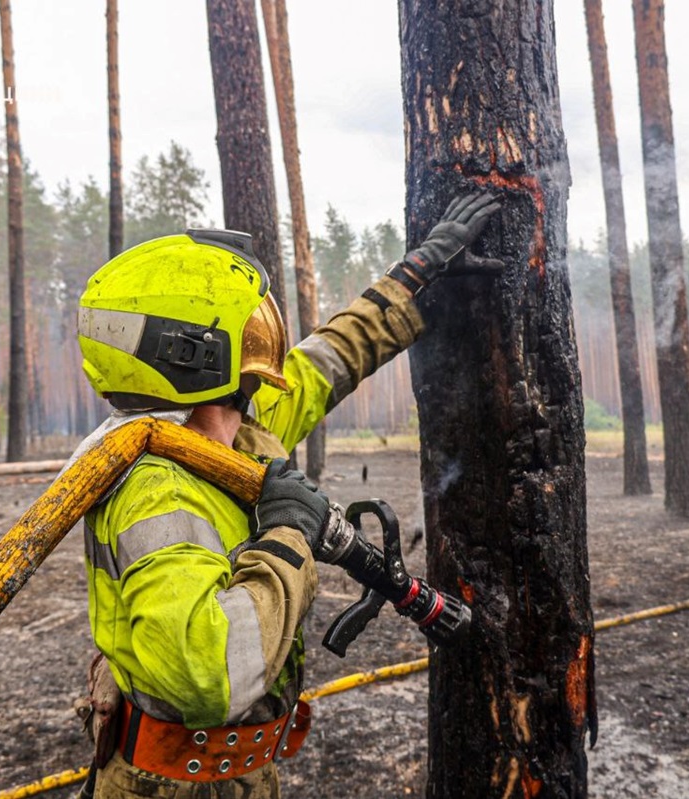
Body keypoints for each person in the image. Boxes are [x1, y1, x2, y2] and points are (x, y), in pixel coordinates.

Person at [71, 192, 501, 798]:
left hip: (235, 775)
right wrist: (287, 535)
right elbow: (209, 674)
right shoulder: (155, 489)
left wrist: (414, 278)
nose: (262, 338)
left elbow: (326, 361)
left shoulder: (233, 429)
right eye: (247, 326)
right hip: (174, 787)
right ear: (197, 352)